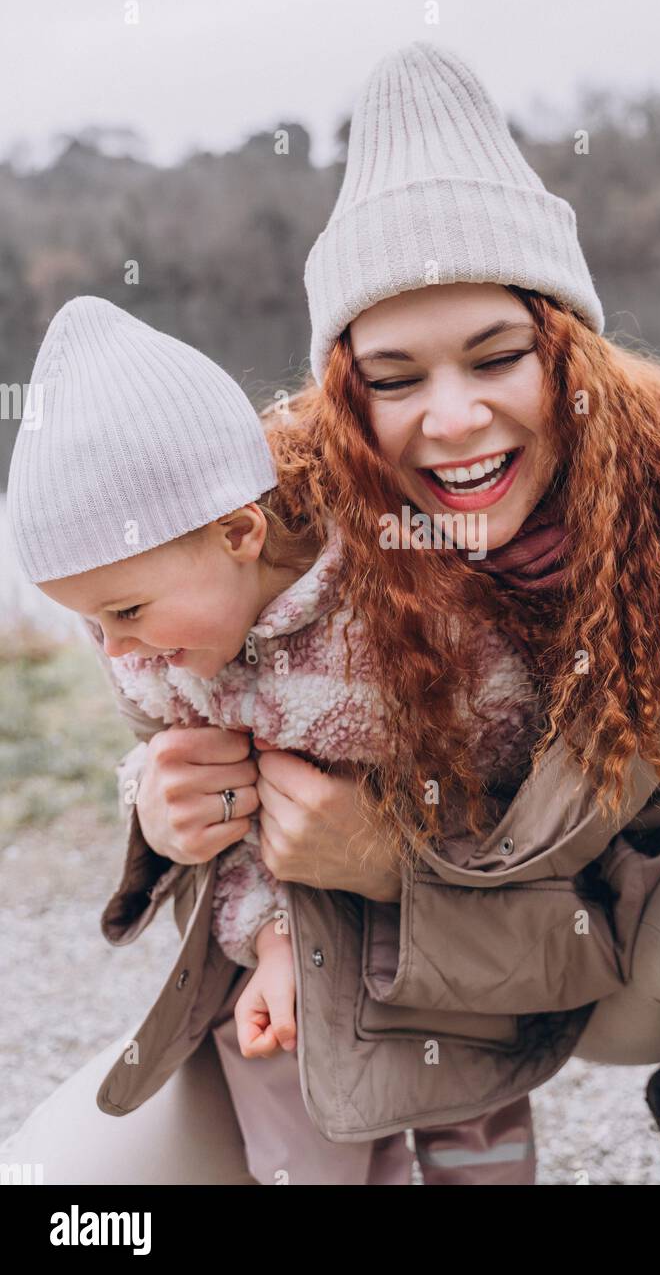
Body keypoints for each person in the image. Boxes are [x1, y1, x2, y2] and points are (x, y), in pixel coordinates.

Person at [4, 40, 660, 1185]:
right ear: (342, 394)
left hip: (603, 965)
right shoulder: (246, 537)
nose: (451, 420)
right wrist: (167, 820)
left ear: (569, 359)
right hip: (349, 1001)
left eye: (496, 355)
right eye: (395, 378)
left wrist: (393, 868)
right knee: (61, 1193)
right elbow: (196, 745)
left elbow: (604, 909)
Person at [2, 294, 541, 1185]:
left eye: (126, 612)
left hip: (439, 951)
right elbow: (223, 823)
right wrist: (165, 818)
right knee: (297, 1149)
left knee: (474, 1132)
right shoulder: (159, 655)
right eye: (91, 626)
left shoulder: (399, 614)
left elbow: (506, 780)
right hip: (273, 968)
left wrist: (398, 868)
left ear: (241, 532)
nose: (117, 651)